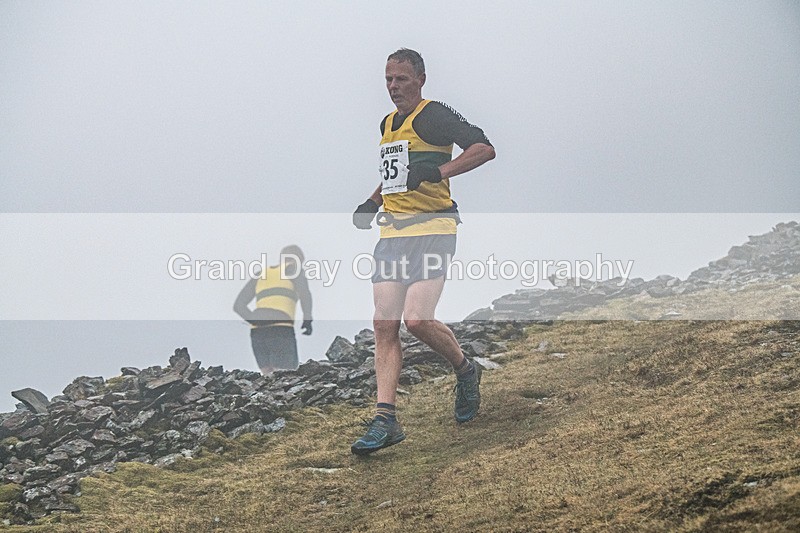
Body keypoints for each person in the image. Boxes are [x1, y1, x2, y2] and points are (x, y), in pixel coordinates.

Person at [350, 49, 496, 455]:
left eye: (401, 79)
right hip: (393, 235)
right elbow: (395, 172)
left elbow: (484, 149)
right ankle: (386, 419)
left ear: (421, 79)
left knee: (416, 320)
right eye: (388, 80)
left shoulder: (433, 116)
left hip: (434, 229)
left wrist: (437, 172)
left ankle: (466, 371)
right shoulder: (387, 123)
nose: (393, 87)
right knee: (384, 324)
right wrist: (372, 201)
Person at [233, 245, 313, 375]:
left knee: (267, 374)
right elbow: (305, 295)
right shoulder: (294, 271)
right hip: (280, 328)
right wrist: (308, 319)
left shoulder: (262, 274)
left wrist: (255, 320)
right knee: (285, 374)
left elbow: (238, 305)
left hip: (257, 331)